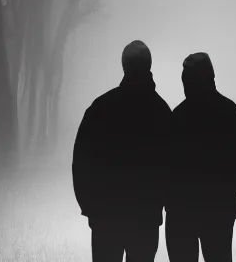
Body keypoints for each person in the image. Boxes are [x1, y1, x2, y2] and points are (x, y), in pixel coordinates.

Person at [72, 40, 172, 262]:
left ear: (124, 66)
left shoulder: (100, 108)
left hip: (106, 217)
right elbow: (173, 167)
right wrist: (161, 204)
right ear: (149, 66)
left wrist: (89, 207)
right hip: (145, 217)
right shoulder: (161, 112)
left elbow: (81, 162)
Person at [166, 52, 236, 262]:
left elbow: (164, 165)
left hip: (181, 214)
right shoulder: (231, 114)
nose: (185, 85)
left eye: (187, 80)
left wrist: (170, 202)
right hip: (219, 213)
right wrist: (228, 200)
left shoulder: (177, 117)